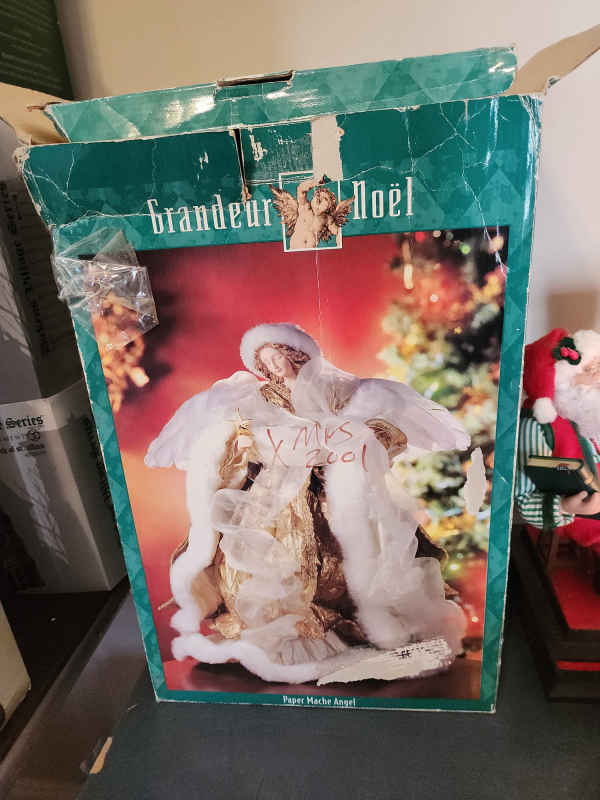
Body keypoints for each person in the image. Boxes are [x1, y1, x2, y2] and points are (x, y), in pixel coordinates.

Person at [146, 323, 470, 682]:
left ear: (295, 356)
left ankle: (348, 620)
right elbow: (244, 430)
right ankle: (286, 629)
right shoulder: (260, 397)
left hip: (326, 484)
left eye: (279, 356)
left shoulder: (334, 392)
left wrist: (350, 444)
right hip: (273, 490)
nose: (276, 365)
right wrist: (246, 442)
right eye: (268, 360)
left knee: (345, 549)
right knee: (268, 557)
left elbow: (365, 430)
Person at [515, 328, 600, 556]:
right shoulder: (537, 425)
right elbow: (524, 498)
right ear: (562, 380)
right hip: (583, 515)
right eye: (590, 371)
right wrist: (564, 506)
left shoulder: (587, 413)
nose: (597, 378)